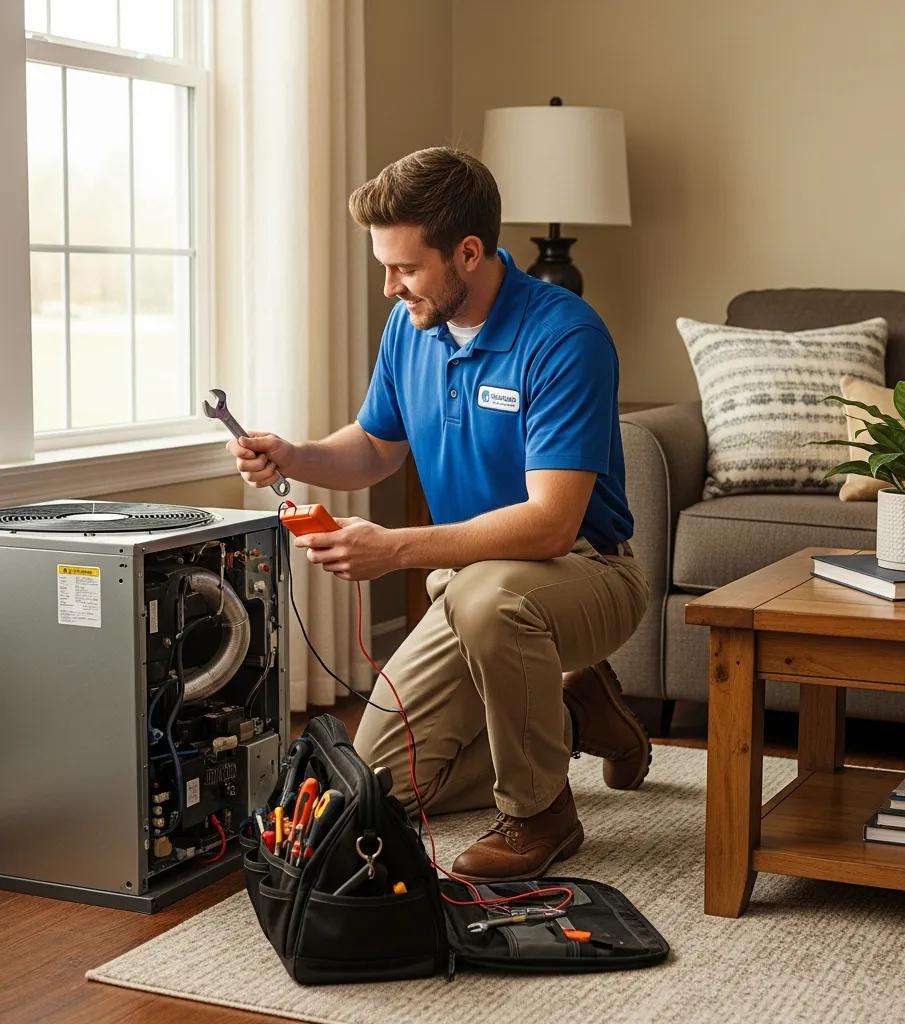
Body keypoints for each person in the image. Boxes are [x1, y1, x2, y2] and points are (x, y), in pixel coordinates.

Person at [228, 147, 651, 882]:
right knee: (381, 781)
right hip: (470, 589)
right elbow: (373, 448)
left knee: (492, 599)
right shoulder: (412, 327)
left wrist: (394, 549)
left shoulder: (564, 336)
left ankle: (540, 813)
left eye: (406, 269)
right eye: (384, 267)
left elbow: (552, 524)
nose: (390, 289)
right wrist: (294, 454)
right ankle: (580, 715)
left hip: (585, 573)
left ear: (468, 251)